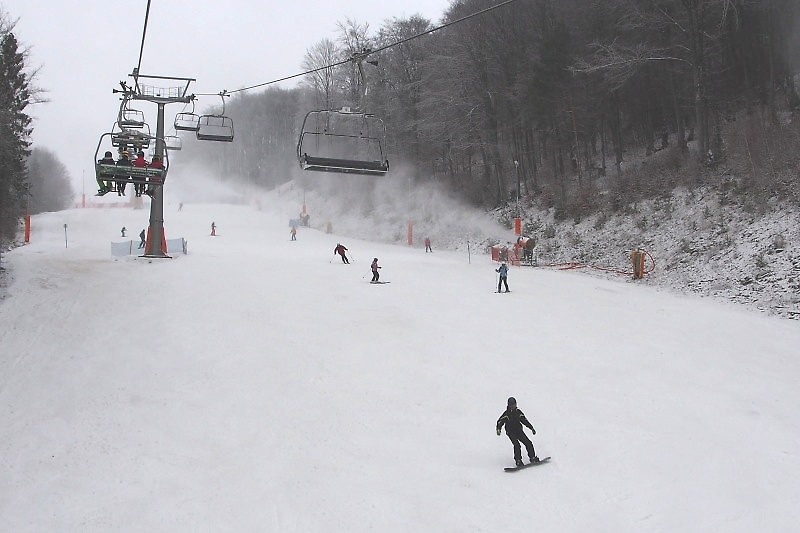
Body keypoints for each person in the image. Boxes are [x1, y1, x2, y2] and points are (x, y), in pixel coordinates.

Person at [496, 396, 538, 467]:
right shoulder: (506, 414)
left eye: (514, 405)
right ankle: (518, 460)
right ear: (508, 405)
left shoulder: (518, 412)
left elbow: (524, 421)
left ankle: (532, 457)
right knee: (517, 445)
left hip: (519, 431)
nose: (513, 406)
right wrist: (498, 429)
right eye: (511, 405)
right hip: (511, 432)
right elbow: (500, 421)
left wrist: (531, 428)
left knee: (528, 443)